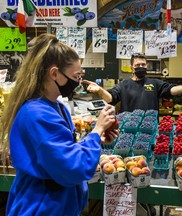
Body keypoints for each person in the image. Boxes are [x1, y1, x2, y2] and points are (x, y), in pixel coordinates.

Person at [0, 33, 119, 215]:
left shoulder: (56, 107)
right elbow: (71, 167)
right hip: (41, 207)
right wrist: (96, 131)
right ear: (54, 73)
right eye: (76, 76)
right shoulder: (37, 114)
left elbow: (60, 150)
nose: (78, 83)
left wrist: (96, 140)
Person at [84, 53, 182, 113]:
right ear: (132, 68)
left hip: (151, 129)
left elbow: (171, 90)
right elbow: (110, 98)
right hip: (130, 129)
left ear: (146, 66)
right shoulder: (123, 85)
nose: (141, 67)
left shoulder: (155, 83)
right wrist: (100, 90)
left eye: (143, 65)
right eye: (137, 65)